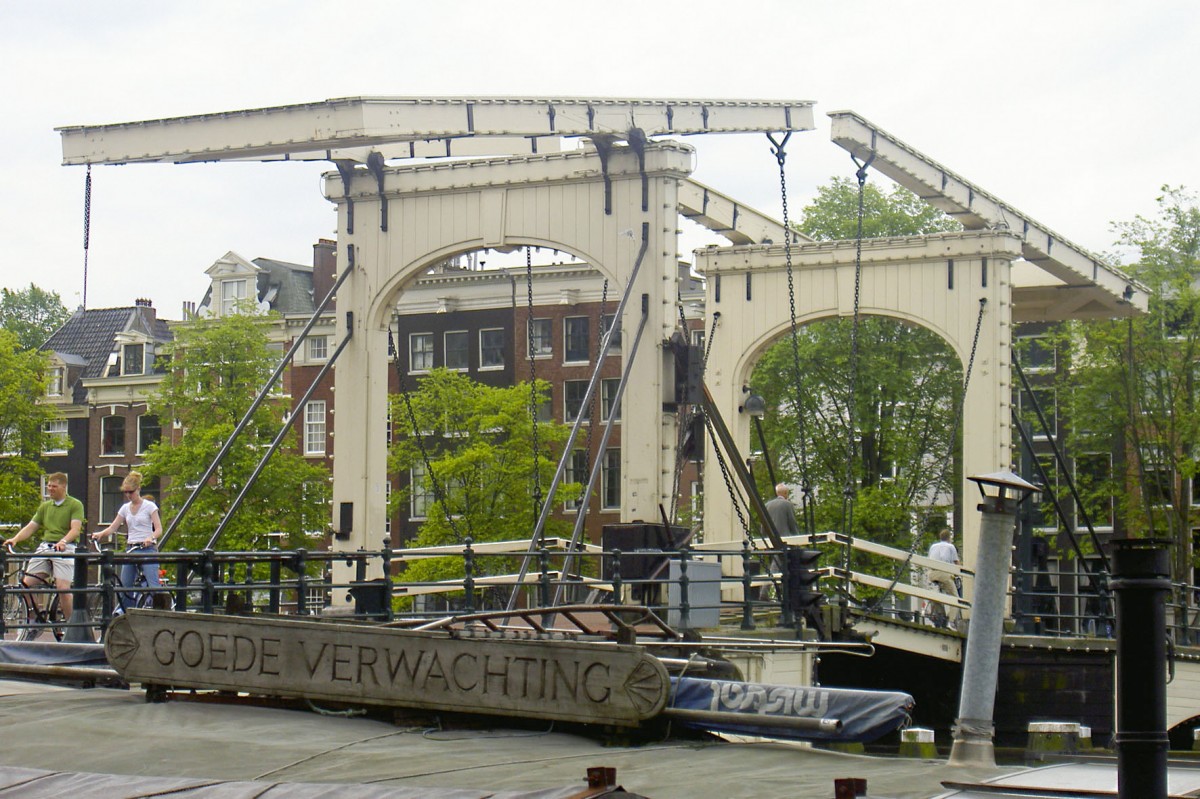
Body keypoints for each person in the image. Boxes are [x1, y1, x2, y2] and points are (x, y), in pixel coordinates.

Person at [3, 472, 85, 618]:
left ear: (64, 486)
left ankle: (72, 627)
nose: (50, 489)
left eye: (54, 486)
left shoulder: (75, 504)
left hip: (65, 548)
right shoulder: (45, 506)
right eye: (49, 486)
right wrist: (15, 539)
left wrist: (63, 541)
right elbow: (31, 527)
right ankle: (35, 619)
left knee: (63, 589)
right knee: (24, 585)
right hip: (46, 546)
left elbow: (75, 530)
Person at [92, 471, 162, 610]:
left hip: (146, 548)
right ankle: (125, 614)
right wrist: (100, 534)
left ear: (138, 489)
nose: (129, 495)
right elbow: (113, 527)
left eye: (131, 492)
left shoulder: (149, 506)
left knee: (153, 584)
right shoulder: (125, 508)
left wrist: (150, 537)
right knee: (125, 586)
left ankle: (161, 611)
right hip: (131, 549)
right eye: (126, 493)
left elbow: (159, 529)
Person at [927, 529, 961, 628]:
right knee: (955, 599)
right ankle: (950, 621)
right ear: (949, 538)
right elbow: (956, 562)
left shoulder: (933, 546)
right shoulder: (951, 547)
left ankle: (940, 617)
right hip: (944, 574)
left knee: (936, 598)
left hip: (932, 574)